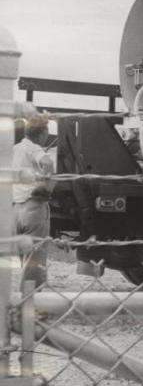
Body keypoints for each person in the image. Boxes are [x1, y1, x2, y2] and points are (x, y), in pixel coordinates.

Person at [12, 110, 55, 292]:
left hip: (16, 208)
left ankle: (20, 298)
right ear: (43, 133)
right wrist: (46, 185)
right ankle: (31, 302)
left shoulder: (15, 149)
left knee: (23, 257)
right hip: (33, 205)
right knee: (35, 257)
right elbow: (47, 162)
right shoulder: (34, 148)